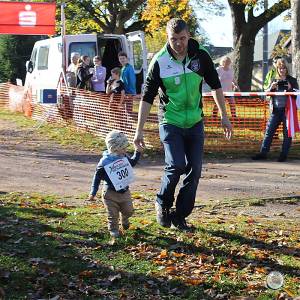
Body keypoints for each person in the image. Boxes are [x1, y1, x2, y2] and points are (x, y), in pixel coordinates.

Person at [133, 18, 232, 231]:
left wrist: (224, 115)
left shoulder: (201, 55)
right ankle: (162, 203)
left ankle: (180, 215)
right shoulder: (159, 61)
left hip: (195, 121)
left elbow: (215, 86)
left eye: (182, 38)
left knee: (194, 170)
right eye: (174, 39)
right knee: (176, 164)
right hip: (170, 121)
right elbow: (147, 98)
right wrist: (138, 130)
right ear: (167, 38)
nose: (178, 43)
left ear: (189, 36)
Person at [88, 130, 141, 238]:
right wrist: (93, 192)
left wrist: (138, 151)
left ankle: (125, 218)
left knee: (129, 211)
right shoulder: (104, 162)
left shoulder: (124, 157)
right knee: (112, 214)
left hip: (124, 191)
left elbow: (133, 163)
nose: (126, 150)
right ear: (114, 148)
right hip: (110, 194)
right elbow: (97, 177)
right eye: (123, 148)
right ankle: (114, 230)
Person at [252, 58, 299, 162]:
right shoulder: (274, 80)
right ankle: (263, 153)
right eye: (280, 68)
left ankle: (283, 155)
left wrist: (290, 88)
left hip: (288, 111)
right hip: (275, 111)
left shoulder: (292, 80)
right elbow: (266, 95)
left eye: (284, 68)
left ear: (287, 69)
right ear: (277, 69)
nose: (282, 70)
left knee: (287, 134)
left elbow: (297, 96)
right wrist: (271, 87)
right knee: (269, 132)